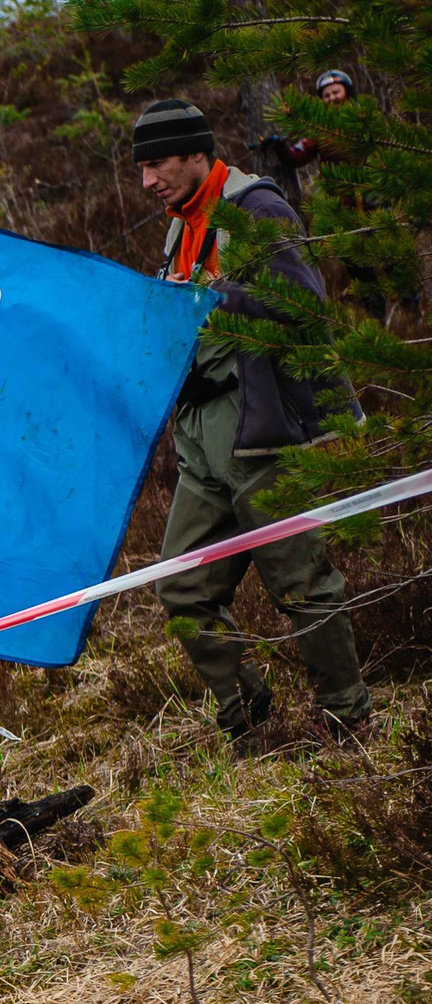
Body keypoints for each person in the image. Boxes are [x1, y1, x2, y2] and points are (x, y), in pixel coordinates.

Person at [134, 98, 369, 746]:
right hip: (201, 439)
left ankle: (349, 722)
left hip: (259, 427)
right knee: (181, 587)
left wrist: (216, 301)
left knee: (302, 586)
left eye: (157, 164)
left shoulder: (255, 209)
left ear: (196, 154)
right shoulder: (179, 226)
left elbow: (304, 305)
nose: (147, 181)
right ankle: (250, 713)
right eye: (142, 168)